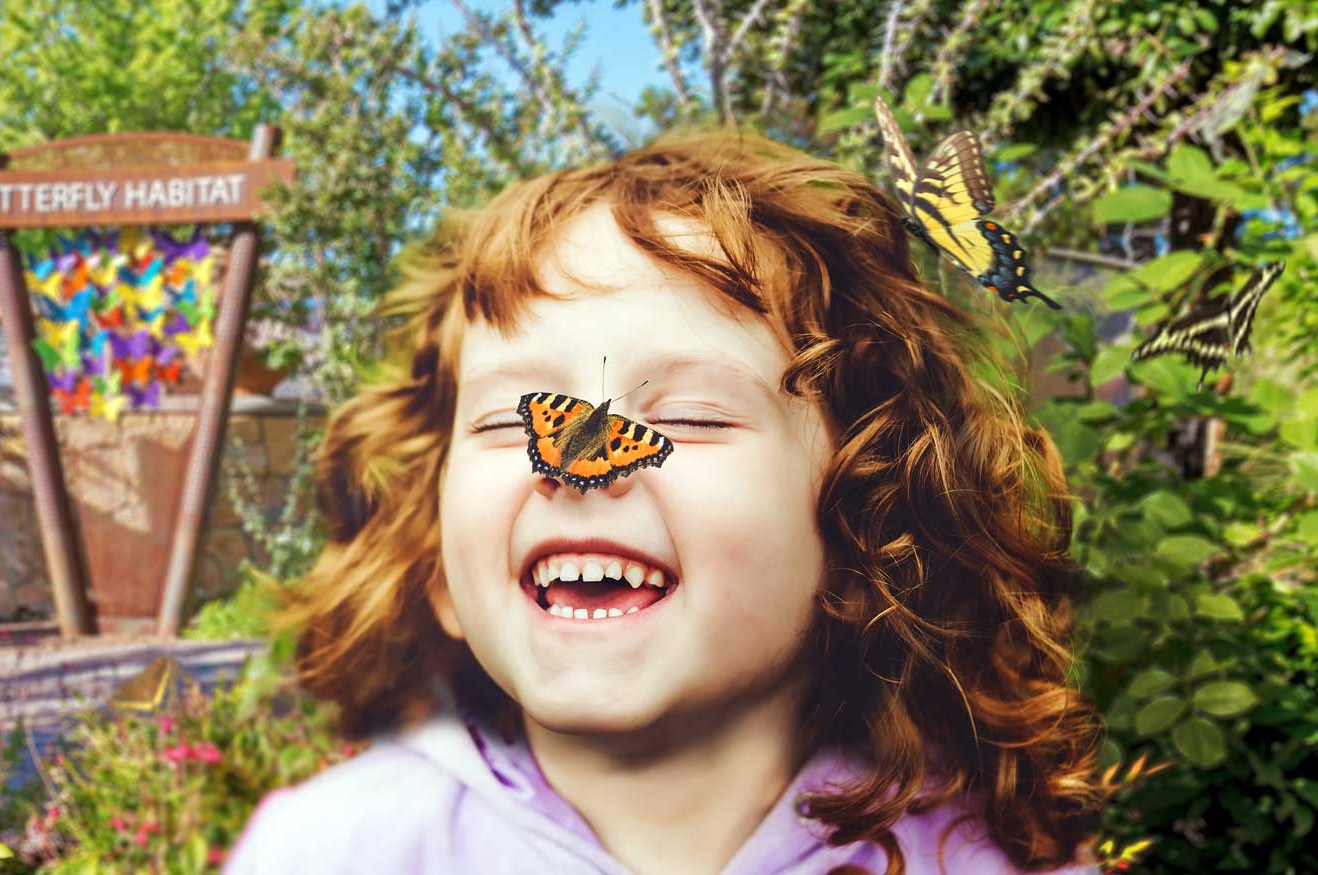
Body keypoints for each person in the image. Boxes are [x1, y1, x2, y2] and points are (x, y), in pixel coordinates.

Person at [224, 131, 1107, 875]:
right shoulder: (330, 851)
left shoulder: (980, 858)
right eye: (511, 418)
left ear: (864, 537)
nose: (579, 468)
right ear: (436, 566)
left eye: (688, 414)